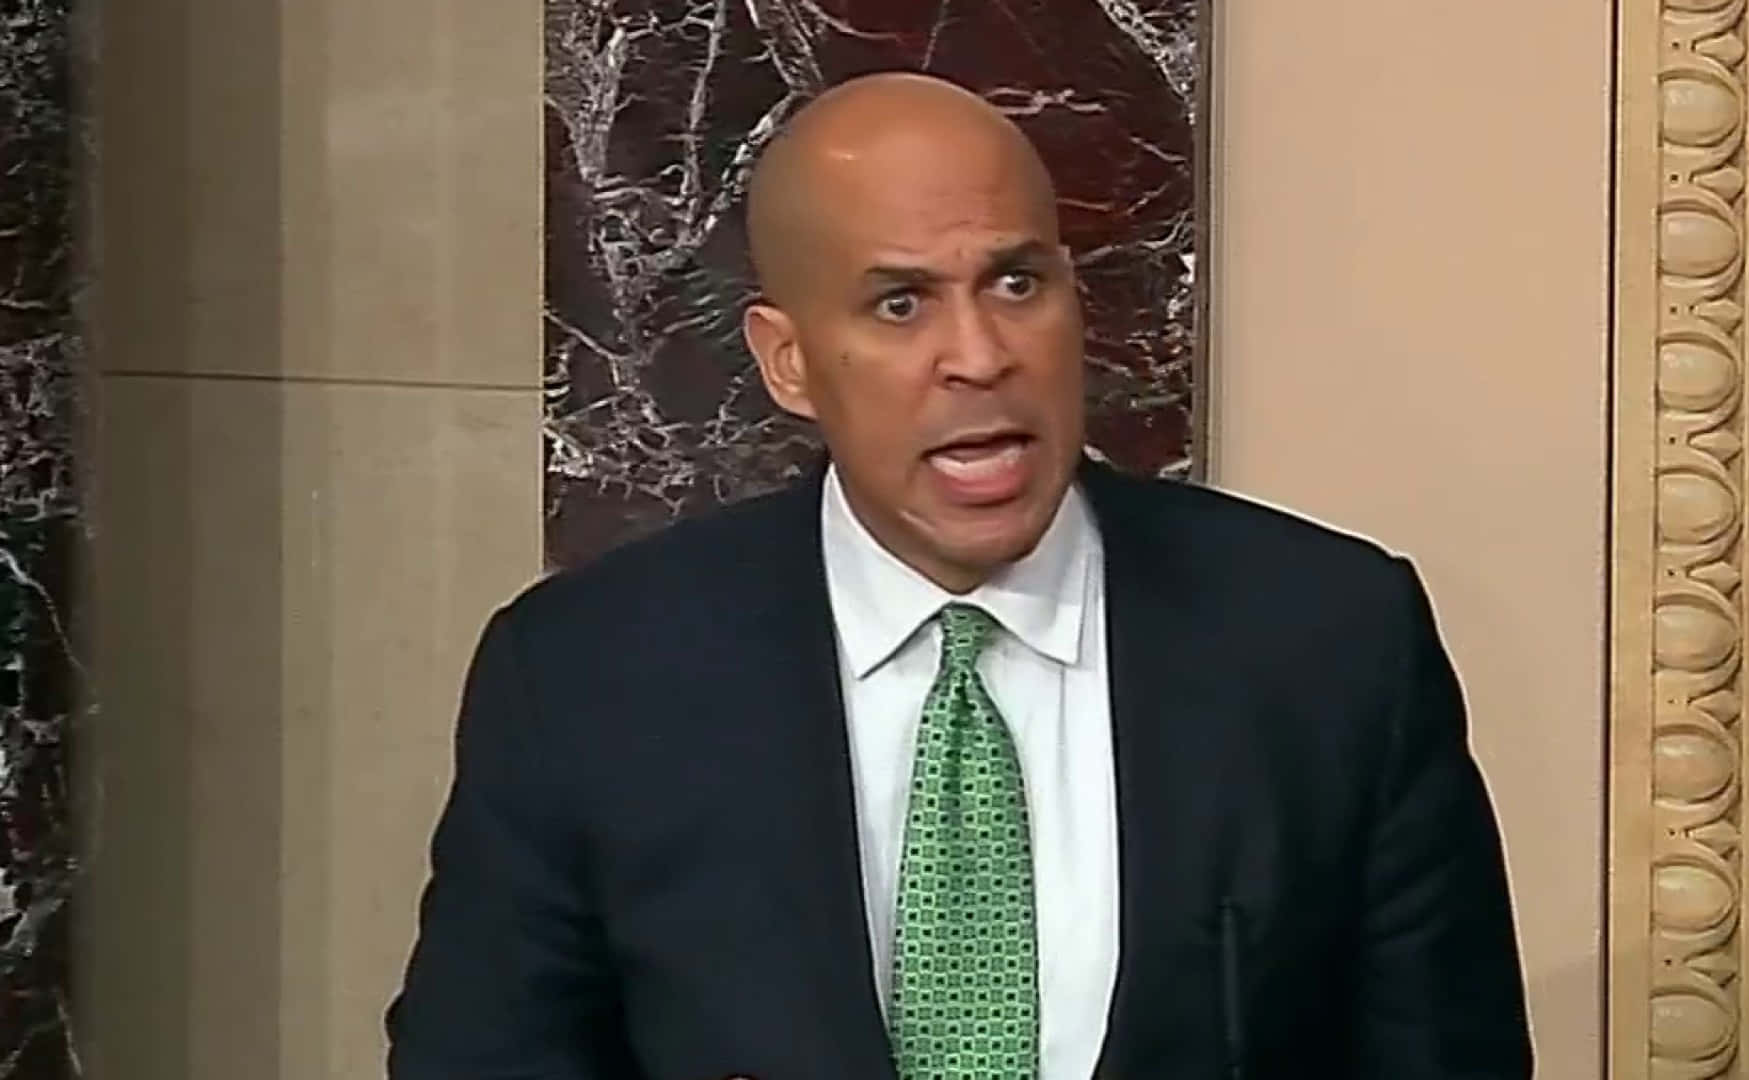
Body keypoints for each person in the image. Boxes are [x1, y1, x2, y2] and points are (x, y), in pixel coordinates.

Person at [386, 72, 1532, 1079]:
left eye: (1018, 283)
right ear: (787, 361)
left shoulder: (1329, 644)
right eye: (901, 304)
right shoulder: (589, 677)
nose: (980, 356)